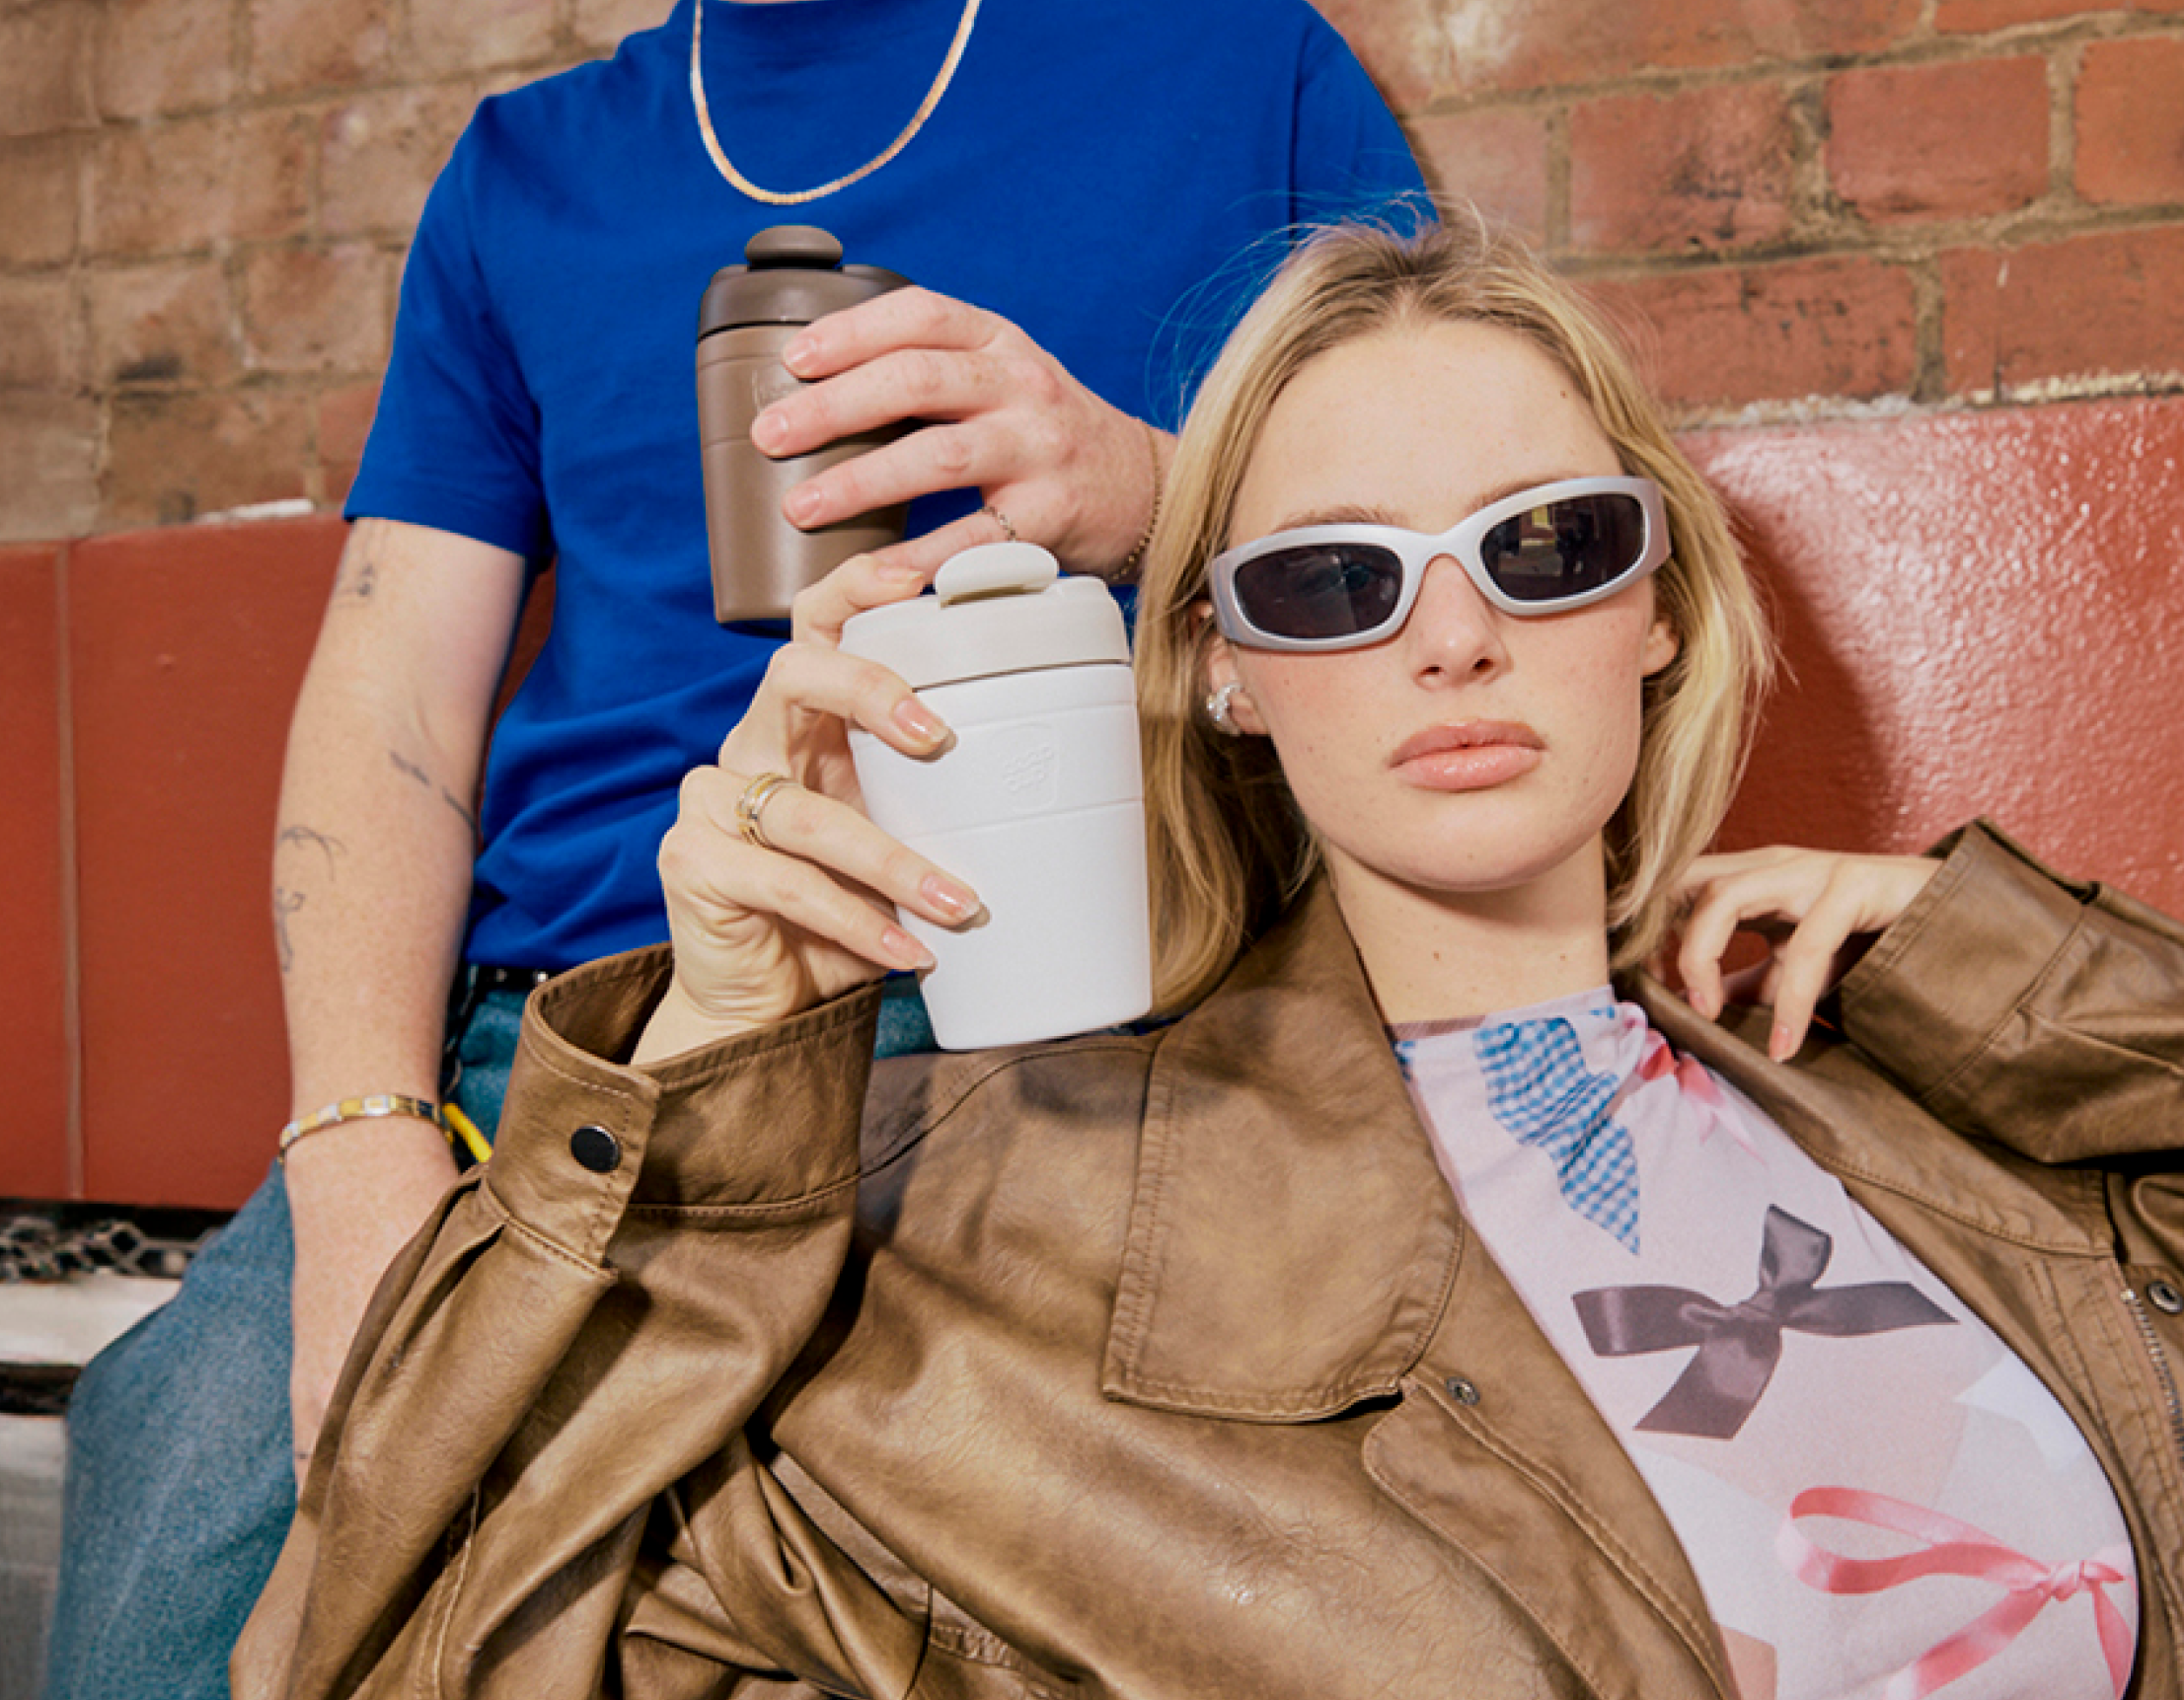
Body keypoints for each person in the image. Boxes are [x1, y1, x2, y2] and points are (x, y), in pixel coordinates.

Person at [42, 0, 1423, 1692]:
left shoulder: (1243, 76)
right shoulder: (525, 178)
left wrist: (1139, 483)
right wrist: (358, 1143)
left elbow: (1472, 566)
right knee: (186, 1534)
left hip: (1076, 1033)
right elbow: (392, 705)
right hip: (581, 1053)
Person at [235, 216, 2182, 1700]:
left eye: (1546, 544)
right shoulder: (990, 1224)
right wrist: (714, 1096)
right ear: (1225, 667)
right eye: (1335, 579)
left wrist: (2003, 971)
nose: (1456, 639)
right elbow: (393, 1652)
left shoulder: (1917, 1098)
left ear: (1657, 602)